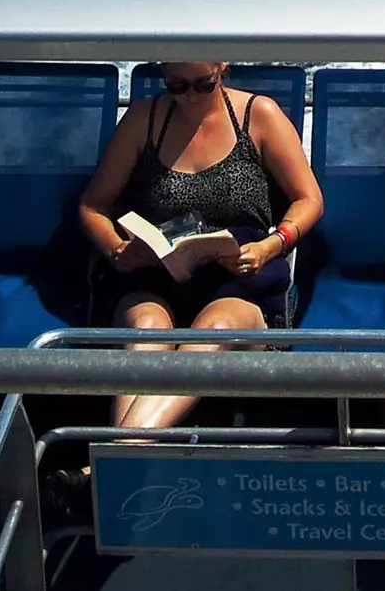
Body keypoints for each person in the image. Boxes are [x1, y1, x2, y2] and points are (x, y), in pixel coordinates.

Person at [77, 61, 323, 432]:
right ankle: (119, 461)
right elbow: (92, 205)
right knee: (146, 330)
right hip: (155, 273)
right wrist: (116, 249)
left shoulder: (259, 115)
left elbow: (309, 200)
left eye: (202, 85)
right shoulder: (143, 120)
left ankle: (114, 460)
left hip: (240, 278)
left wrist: (272, 246)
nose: (189, 96)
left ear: (221, 68)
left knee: (215, 329)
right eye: (177, 86)